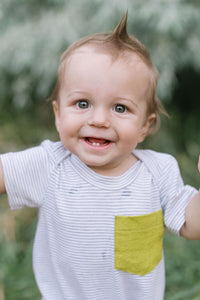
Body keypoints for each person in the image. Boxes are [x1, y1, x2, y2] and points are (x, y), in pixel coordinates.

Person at [0, 13, 200, 300]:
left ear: (145, 126)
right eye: (82, 103)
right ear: (58, 115)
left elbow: (192, 226)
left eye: (120, 108)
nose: (99, 119)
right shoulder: (48, 165)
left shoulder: (158, 172)